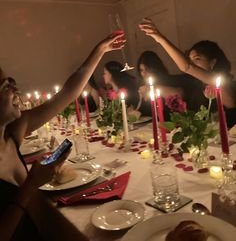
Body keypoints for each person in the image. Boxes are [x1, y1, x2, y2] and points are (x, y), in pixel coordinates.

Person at [0, 33, 125, 241]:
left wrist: (100, 50)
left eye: (12, 82)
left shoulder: (13, 132)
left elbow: (67, 93)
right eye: (6, 87)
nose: (16, 89)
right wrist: (31, 185)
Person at [139, 18, 236, 127]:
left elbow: (187, 67)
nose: (193, 64)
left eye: (197, 59)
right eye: (191, 60)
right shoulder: (194, 84)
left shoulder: (223, 83)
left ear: (212, 62)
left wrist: (160, 38)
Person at [137, 51, 189, 117]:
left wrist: (152, 88)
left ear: (155, 68)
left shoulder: (168, 81)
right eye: (141, 70)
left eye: (147, 69)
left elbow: (179, 94)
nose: (144, 73)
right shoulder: (142, 86)